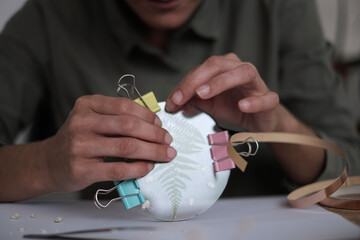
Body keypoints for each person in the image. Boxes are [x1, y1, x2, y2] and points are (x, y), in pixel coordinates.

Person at [0, 0, 359, 202]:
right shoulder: (49, 17)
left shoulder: (281, 10)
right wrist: (46, 162)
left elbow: (352, 174)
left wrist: (279, 124)